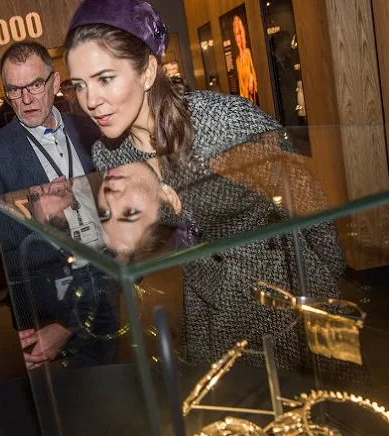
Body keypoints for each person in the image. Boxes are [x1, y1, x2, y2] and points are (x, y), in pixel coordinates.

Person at [64, 0, 347, 370]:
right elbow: (145, 249)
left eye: (105, 79)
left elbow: (308, 206)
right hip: (206, 302)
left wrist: (329, 295)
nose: (90, 100)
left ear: (148, 71)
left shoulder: (227, 123)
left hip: (283, 294)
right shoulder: (109, 156)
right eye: (80, 85)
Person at [0, 41, 105, 368]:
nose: (26, 98)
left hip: (104, 290)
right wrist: (35, 214)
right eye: (14, 90)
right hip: (45, 310)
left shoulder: (89, 128)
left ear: (55, 83)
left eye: (35, 84)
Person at [233, 15, 258, 104]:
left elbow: (252, 72)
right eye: (235, 35)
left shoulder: (247, 52)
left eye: (239, 33)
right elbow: (240, 84)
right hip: (245, 98)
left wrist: (251, 79)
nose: (237, 38)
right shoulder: (237, 60)